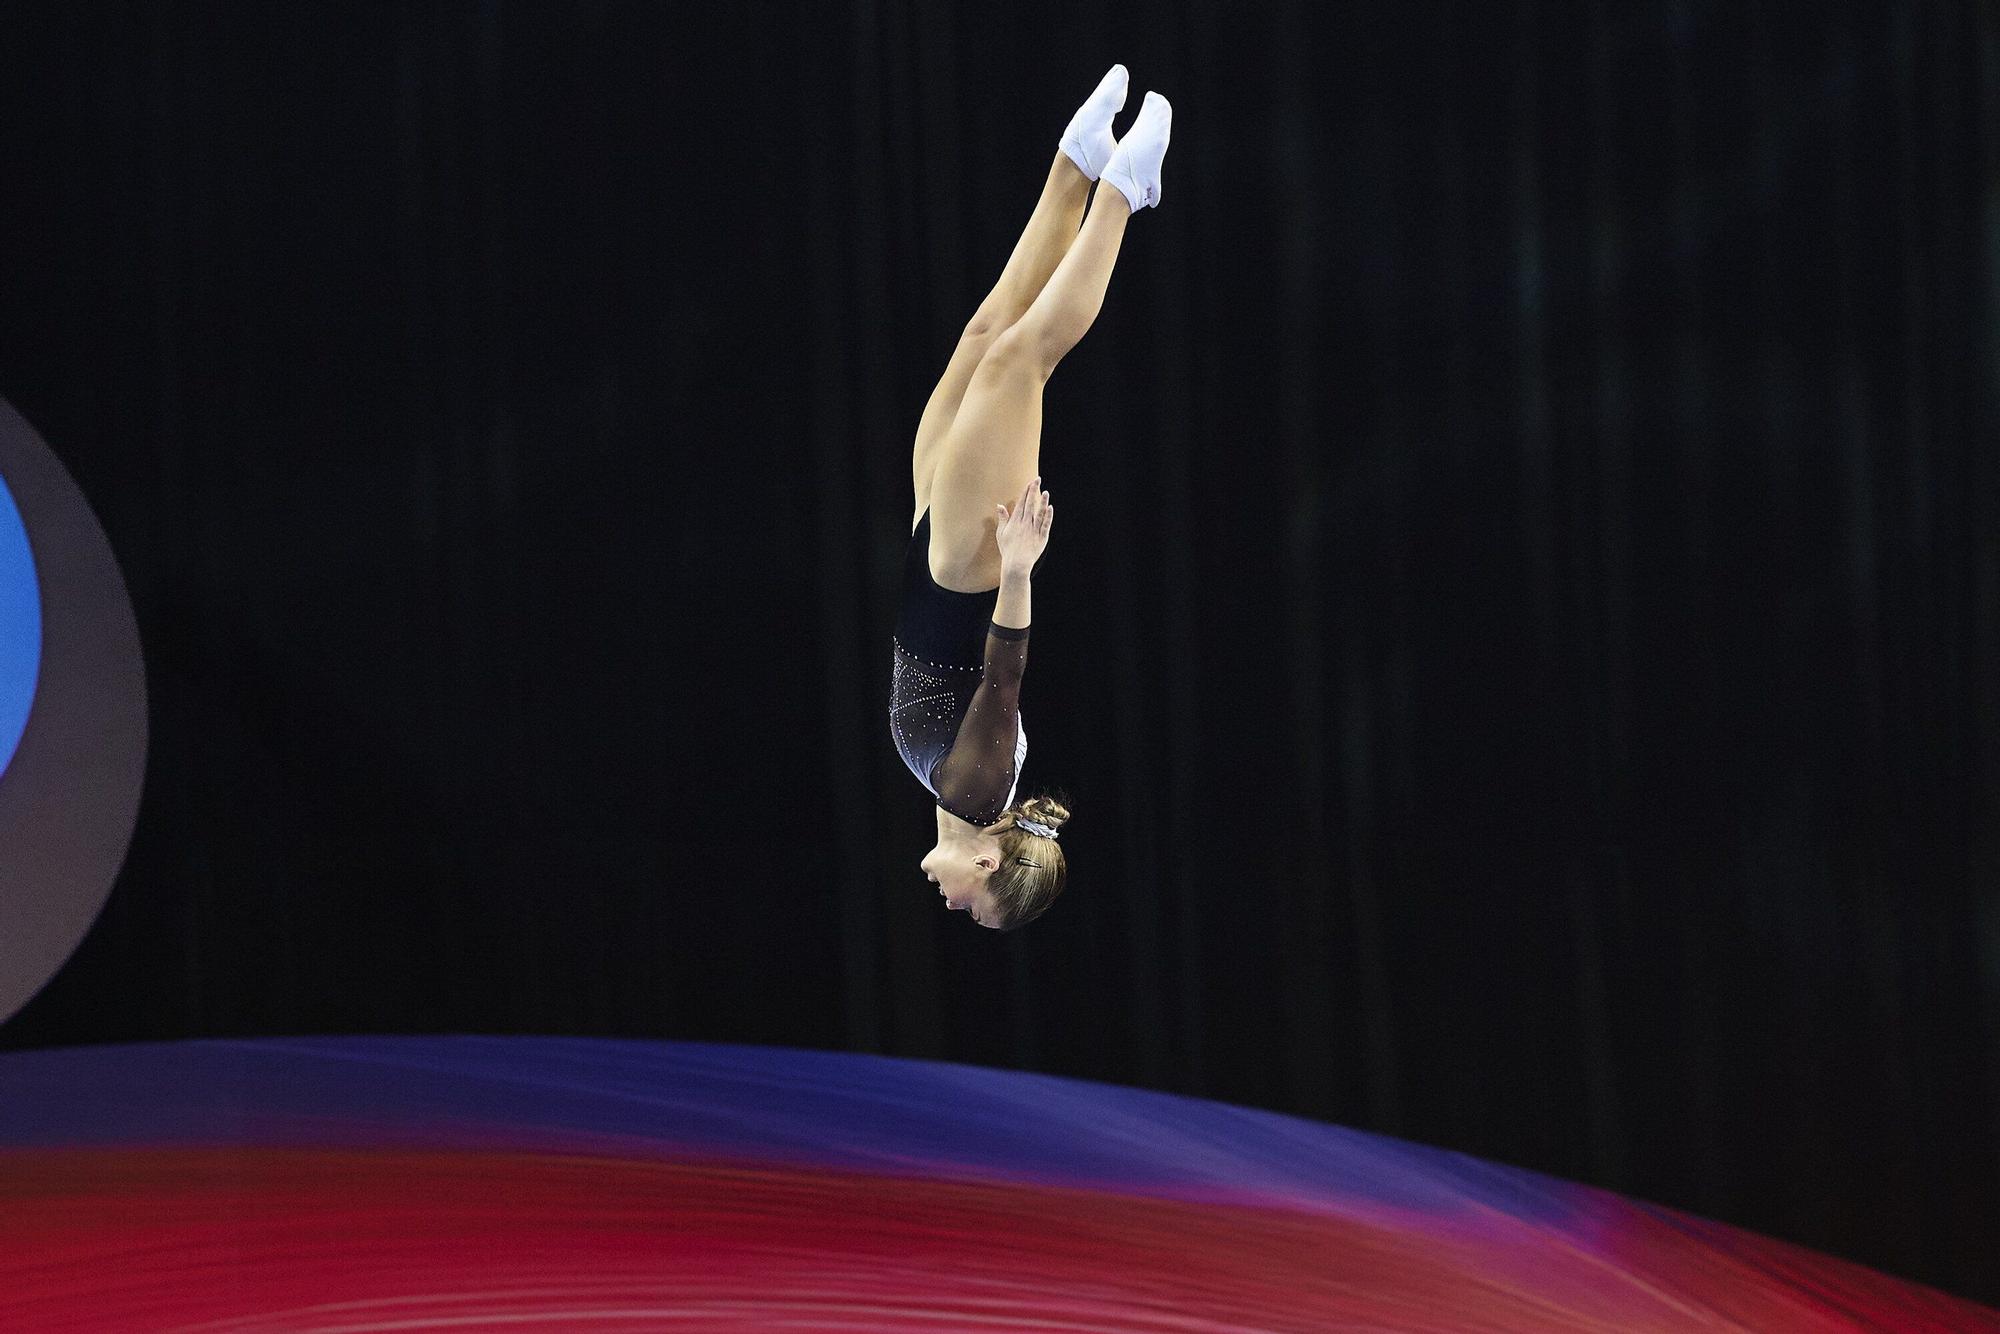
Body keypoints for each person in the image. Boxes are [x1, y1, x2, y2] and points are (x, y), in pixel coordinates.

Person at [889, 64, 1172, 931]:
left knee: (984, 338)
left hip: (932, 549)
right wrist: (1018, 571)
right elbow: (1003, 679)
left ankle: (1076, 161)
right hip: (970, 565)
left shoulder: (959, 795)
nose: (955, 904)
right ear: (988, 862)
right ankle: (1125, 189)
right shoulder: (974, 793)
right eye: (977, 908)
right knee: (1023, 359)